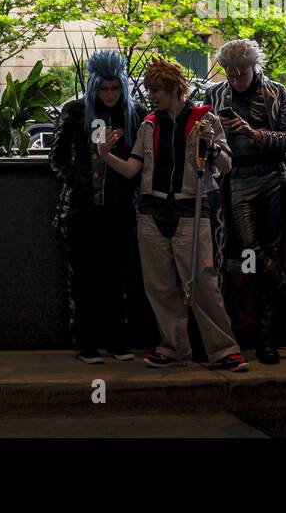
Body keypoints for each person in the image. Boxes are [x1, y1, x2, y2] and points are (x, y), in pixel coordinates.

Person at [97, 57, 248, 372]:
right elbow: (132, 170)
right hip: (152, 211)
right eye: (151, 91)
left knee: (203, 283)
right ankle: (174, 347)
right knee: (161, 286)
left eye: (158, 90)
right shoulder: (150, 123)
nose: (152, 96)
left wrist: (214, 147)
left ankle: (223, 349)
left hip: (191, 208)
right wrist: (106, 155)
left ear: (176, 89)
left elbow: (226, 166)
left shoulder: (205, 120)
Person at [205, 39, 286, 365]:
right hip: (237, 178)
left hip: (273, 176)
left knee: (270, 252)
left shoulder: (276, 92)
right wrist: (215, 140)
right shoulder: (216, 94)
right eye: (230, 73)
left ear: (254, 66)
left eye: (241, 72)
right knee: (250, 250)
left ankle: (266, 337)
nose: (235, 79)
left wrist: (254, 133)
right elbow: (204, 138)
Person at [50, 50, 141, 364]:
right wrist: (77, 184)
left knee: (116, 277)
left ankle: (117, 340)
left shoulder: (135, 113)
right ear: (93, 87)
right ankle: (86, 342)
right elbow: (57, 156)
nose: (110, 95)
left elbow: (142, 161)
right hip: (81, 208)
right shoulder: (75, 111)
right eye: (104, 89)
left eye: (116, 88)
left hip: (119, 208)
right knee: (84, 277)